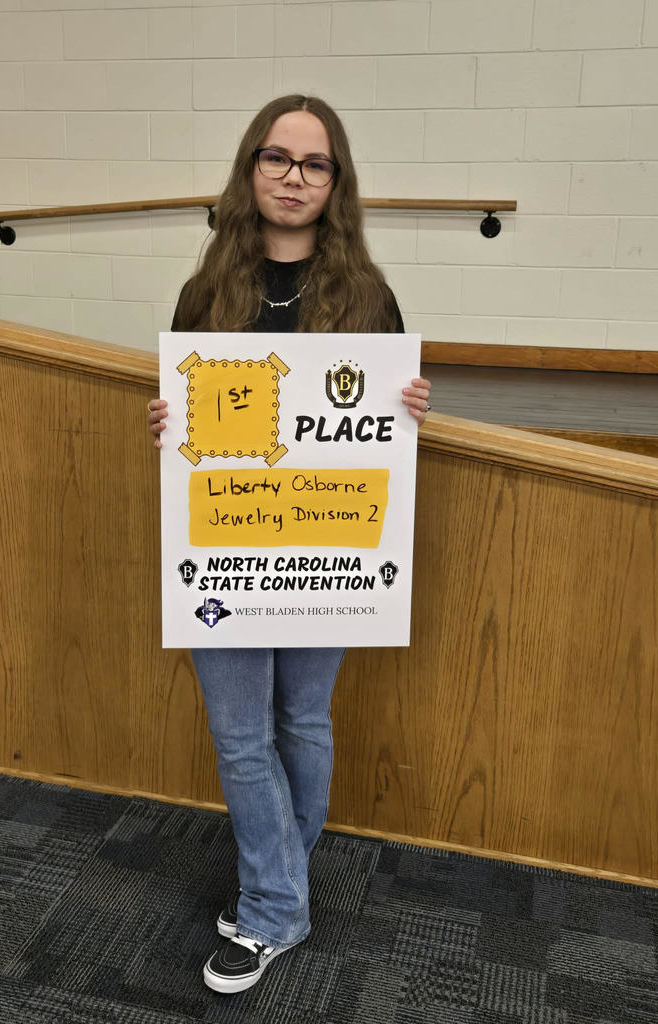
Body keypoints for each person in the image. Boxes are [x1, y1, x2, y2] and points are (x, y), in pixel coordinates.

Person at [148, 95, 431, 994]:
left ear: (336, 183)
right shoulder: (206, 292)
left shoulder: (367, 296)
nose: (294, 177)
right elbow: (192, 416)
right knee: (240, 734)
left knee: (302, 719)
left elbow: (385, 417)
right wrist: (166, 418)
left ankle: (273, 901)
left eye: (315, 164)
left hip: (328, 549)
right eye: (278, 158)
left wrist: (411, 406)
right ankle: (281, 896)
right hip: (228, 546)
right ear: (250, 169)